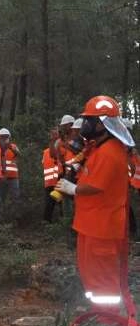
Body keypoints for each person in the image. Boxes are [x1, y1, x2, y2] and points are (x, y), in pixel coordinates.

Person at [55, 95, 135, 309]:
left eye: (89, 120)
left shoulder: (110, 152)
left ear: (101, 124)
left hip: (102, 228)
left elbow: (97, 186)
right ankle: (98, 315)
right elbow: (93, 176)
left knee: (102, 279)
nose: (84, 125)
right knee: (91, 274)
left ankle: (108, 323)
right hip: (91, 224)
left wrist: (73, 189)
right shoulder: (98, 148)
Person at [42, 129, 62, 223]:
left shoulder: (48, 151)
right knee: (56, 203)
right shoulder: (48, 152)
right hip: (53, 182)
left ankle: (49, 222)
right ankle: (50, 222)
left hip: (54, 181)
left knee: (53, 203)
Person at [0, 128, 20, 205]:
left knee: (15, 197)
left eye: (6, 137)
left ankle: (16, 215)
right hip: (1, 176)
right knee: (1, 198)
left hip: (13, 177)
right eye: (2, 137)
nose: (4, 139)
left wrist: (11, 148)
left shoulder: (13, 146)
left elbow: (19, 154)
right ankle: (2, 214)